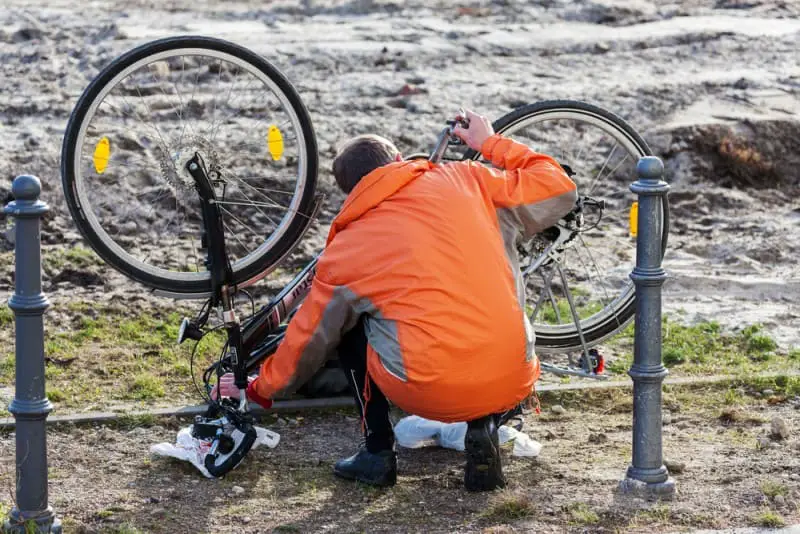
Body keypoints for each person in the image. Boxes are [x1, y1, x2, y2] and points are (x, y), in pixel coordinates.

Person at [215, 109, 578, 491]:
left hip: (423, 390)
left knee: (348, 322)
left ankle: (377, 453)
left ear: (352, 191)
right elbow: (559, 188)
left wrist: (259, 388)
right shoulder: (468, 178)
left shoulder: (347, 249)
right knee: (483, 304)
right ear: (401, 162)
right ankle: (484, 425)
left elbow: (309, 338)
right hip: (512, 379)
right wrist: (488, 142)